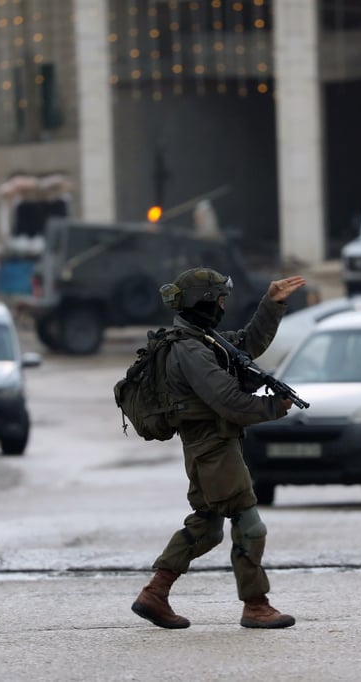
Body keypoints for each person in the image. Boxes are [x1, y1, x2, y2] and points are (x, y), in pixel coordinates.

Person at [131, 266, 307, 630]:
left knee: (207, 526)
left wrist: (271, 304)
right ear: (204, 302)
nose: (224, 306)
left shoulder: (202, 339)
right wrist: (272, 407)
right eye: (220, 299)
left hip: (208, 446)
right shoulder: (190, 350)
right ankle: (256, 605)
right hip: (213, 448)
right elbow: (229, 401)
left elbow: (246, 345)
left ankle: (155, 593)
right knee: (249, 524)